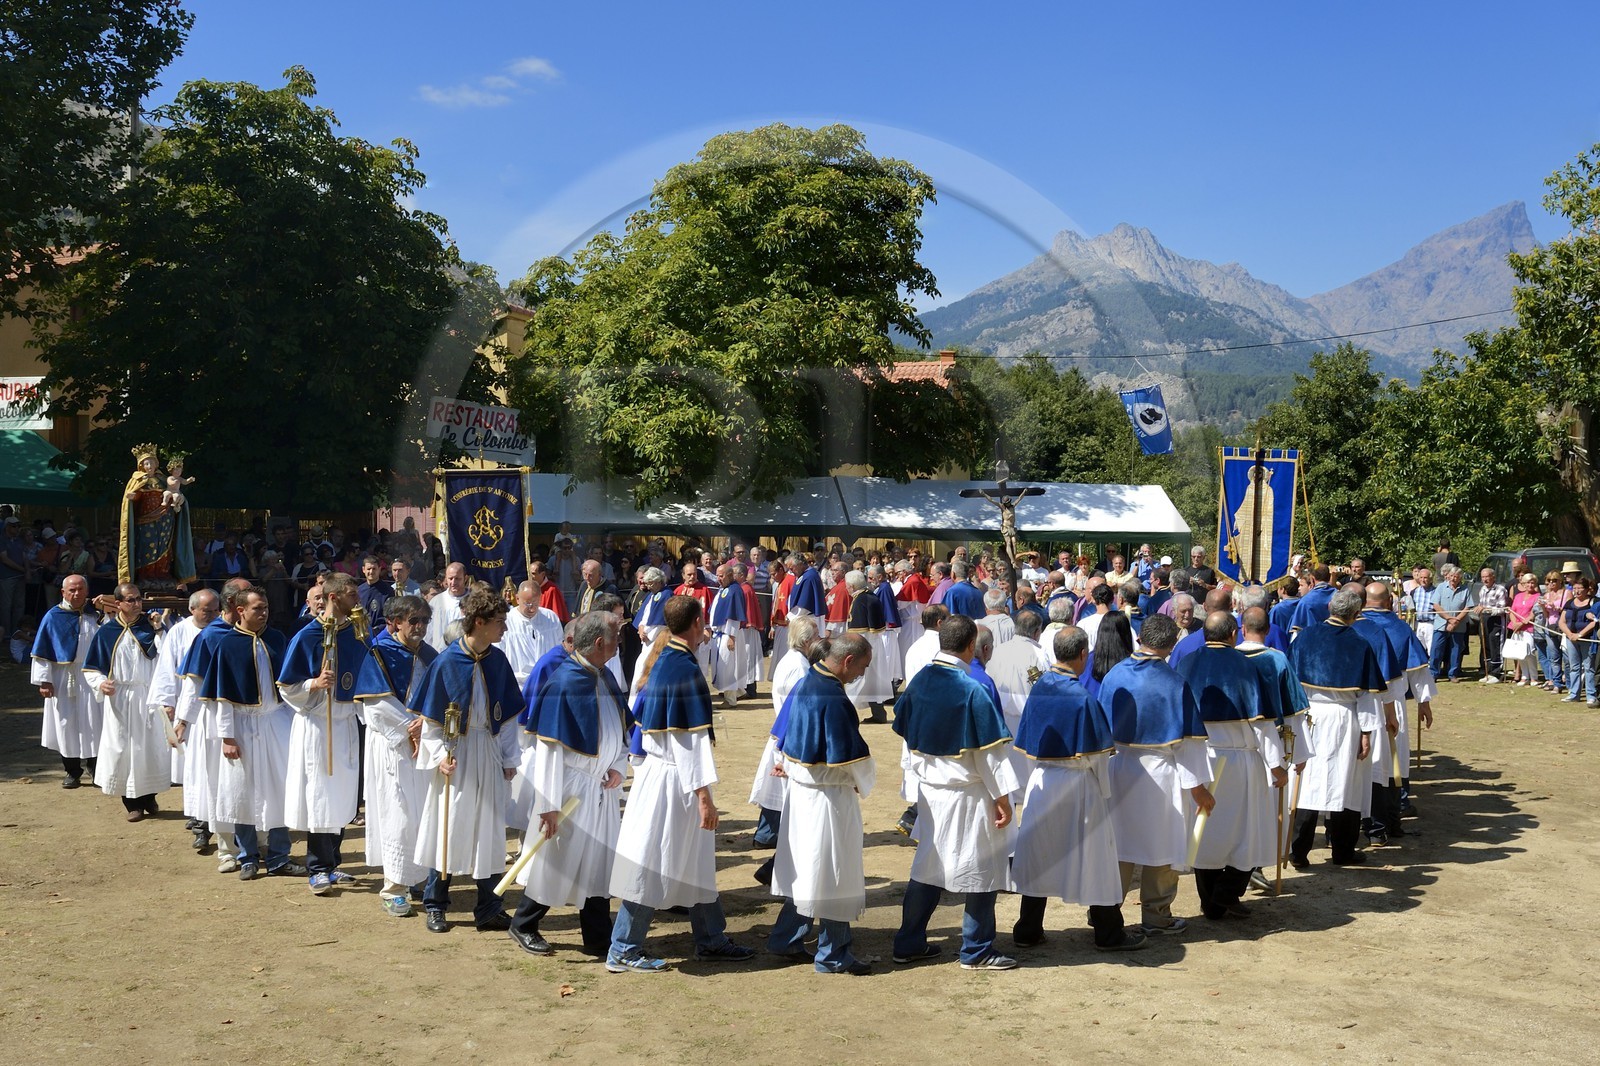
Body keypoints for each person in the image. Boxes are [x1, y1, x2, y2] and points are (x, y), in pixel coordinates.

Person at [606, 594, 756, 972]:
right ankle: (623, 946)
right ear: (696, 623)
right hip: (676, 780)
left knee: (695, 862)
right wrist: (704, 796)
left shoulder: (664, 659)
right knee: (653, 861)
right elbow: (689, 740)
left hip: (665, 775)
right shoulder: (682, 668)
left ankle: (710, 938)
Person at [890, 615, 1021, 971]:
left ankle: (909, 941)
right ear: (970, 647)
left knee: (928, 868)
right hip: (968, 792)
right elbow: (990, 755)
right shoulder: (971, 689)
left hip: (931, 791)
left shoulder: (919, 682)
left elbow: (902, 726)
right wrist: (1003, 799)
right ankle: (976, 949)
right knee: (982, 869)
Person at [1010, 625, 1145, 952]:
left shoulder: (1040, 686)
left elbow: (1027, 743)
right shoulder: (1082, 698)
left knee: (1039, 855)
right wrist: (1103, 793)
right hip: (1078, 785)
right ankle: (1108, 932)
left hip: (1042, 782)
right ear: (1083, 654)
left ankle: (1027, 928)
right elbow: (1099, 758)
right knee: (1096, 858)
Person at [510, 609, 631, 957]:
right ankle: (524, 923)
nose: (618, 644)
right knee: (557, 859)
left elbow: (618, 729)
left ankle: (597, 936)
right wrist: (548, 805)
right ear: (597, 643)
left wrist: (619, 766)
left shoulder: (603, 675)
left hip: (600, 788)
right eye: (613, 638)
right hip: (568, 788)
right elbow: (548, 750)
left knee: (598, 861)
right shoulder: (564, 682)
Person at [410, 586, 525, 932]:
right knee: (447, 825)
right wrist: (436, 759)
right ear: (479, 622)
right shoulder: (447, 662)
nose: (505, 628)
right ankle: (436, 903)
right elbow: (430, 722)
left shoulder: (498, 660)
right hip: (453, 754)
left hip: (486, 750)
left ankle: (489, 907)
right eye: (500, 622)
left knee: (489, 828)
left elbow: (506, 719)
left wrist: (508, 758)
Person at [766, 633, 877, 974]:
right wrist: (861, 780)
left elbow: (787, 735)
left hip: (802, 793)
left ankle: (787, 937)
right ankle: (833, 953)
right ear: (847, 661)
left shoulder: (809, 680)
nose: (862, 674)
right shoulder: (834, 698)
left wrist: (788, 763)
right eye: (862, 666)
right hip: (828, 798)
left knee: (807, 870)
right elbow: (852, 760)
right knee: (833, 874)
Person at [1097, 613, 1211, 935]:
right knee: (1162, 845)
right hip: (1160, 773)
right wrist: (1198, 787)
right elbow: (1188, 744)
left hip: (1118, 768)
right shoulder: (1173, 682)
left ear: (1139, 639)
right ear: (1172, 644)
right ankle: (1157, 914)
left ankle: (1105, 911)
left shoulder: (1114, 675)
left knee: (1118, 844)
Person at [1174, 612, 1286, 921]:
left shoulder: (1186, 664)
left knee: (1206, 831)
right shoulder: (1246, 667)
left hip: (1199, 756)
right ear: (1234, 634)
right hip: (1239, 760)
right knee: (1246, 831)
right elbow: (1262, 725)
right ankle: (1224, 894)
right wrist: (1276, 765)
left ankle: (1211, 899)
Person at [196, 583, 303, 880]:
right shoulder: (227, 645)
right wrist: (227, 737)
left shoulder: (278, 639)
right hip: (242, 725)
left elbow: (288, 686)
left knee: (279, 789)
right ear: (240, 610)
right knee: (241, 792)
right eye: (258, 608)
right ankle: (247, 857)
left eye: (266, 608)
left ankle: (280, 856)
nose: (264, 613)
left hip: (274, 722)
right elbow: (222, 698)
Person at [278, 572, 368, 894]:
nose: (357, 599)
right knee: (321, 795)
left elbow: (368, 677)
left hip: (347, 723)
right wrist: (313, 684)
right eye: (351, 593)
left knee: (344, 794)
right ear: (333, 597)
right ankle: (317, 867)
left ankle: (334, 863)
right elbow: (287, 686)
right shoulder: (307, 637)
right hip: (318, 725)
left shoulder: (356, 635)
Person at [1288, 588, 1389, 867]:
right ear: (1356, 615)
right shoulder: (1360, 644)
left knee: (1307, 783)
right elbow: (1368, 694)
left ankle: (1298, 851)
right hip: (1346, 719)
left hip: (1309, 717)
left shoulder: (1304, 637)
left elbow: (1290, 682)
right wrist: (1367, 732)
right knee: (1348, 783)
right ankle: (1343, 851)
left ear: (1331, 606)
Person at [353, 595, 436, 917]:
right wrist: (410, 728)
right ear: (395, 622)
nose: (419, 627)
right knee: (398, 816)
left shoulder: (430, 655)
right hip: (394, 748)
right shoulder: (379, 654)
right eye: (413, 621)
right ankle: (394, 887)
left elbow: (444, 694)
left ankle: (419, 877)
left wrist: (426, 725)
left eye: (424, 621)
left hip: (425, 745)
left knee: (424, 814)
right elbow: (376, 704)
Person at [1353, 583, 1435, 840]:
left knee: (1364, 764)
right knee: (1389, 764)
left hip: (1356, 704)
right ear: (1389, 601)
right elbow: (1417, 670)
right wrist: (1423, 701)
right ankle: (1386, 821)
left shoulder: (1352, 627)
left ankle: (1365, 821)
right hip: (1390, 703)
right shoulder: (1398, 628)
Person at [82, 583, 168, 820]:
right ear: (118, 603)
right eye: (130, 600)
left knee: (149, 747)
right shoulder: (107, 632)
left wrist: (160, 629)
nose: (136, 604)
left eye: (138, 599)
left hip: (148, 695)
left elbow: (167, 657)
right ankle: (131, 802)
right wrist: (101, 682)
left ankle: (149, 796)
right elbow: (91, 667)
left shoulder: (150, 626)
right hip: (120, 698)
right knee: (124, 748)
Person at [749, 614, 821, 873]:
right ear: (806, 641)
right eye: (816, 636)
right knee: (784, 795)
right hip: (789, 734)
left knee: (776, 794)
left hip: (784, 732)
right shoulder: (799, 667)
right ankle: (767, 837)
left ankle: (766, 834)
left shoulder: (792, 660)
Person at [150, 588, 219, 847]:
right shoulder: (179, 631)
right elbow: (167, 668)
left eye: (215, 610)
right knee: (194, 766)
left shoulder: (224, 629)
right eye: (206, 611)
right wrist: (168, 702)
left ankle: (216, 819)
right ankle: (199, 818)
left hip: (217, 706)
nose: (212, 615)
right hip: (189, 706)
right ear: (192, 610)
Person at [31, 574, 101, 788]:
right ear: (63, 592)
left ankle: (96, 768)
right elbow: (42, 650)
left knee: (94, 721)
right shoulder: (53, 617)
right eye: (71, 590)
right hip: (63, 677)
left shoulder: (96, 615)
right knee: (66, 723)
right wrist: (44, 680)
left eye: (80, 589)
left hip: (92, 676)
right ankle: (72, 771)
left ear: (87, 591)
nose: (76, 593)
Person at [844, 569, 894, 723]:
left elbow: (859, 632)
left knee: (856, 681)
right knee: (874, 681)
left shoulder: (859, 601)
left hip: (863, 647)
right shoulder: (871, 596)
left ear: (851, 586)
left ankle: (846, 714)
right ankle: (878, 714)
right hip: (874, 644)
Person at [500, 579, 565, 687]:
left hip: (547, 683)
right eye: (528, 604)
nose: (532, 609)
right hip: (518, 684)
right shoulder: (507, 620)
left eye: (535, 603)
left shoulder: (551, 618)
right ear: (517, 598)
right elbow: (499, 651)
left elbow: (560, 650)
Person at [1431, 564, 1476, 683]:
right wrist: (1448, 618)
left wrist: (1456, 621)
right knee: (1436, 650)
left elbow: (1468, 607)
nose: (1453, 578)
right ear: (1448, 576)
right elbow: (1436, 605)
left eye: (1456, 576)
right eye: (1451, 575)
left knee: (1455, 651)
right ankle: (1433, 674)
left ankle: (1453, 674)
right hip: (1441, 624)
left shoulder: (1465, 589)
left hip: (1458, 626)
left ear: (1460, 577)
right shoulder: (1440, 587)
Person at [1560, 576, 1598, 705]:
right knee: (1574, 667)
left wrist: (1580, 634)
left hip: (1588, 639)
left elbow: (1595, 623)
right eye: (1575, 588)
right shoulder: (1570, 603)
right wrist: (1570, 634)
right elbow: (1562, 621)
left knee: (1589, 667)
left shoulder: (1594, 602)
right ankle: (1573, 693)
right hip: (1571, 639)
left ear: (1587, 589)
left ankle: (1591, 696)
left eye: (1580, 588)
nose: (1577, 591)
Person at [424, 562, 468, 652]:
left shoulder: (473, 601)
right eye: (450, 578)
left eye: (457, 578)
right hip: (440, 655)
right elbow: (428, 633)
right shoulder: (436, 602)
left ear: (465, 578)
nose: (453, 582)